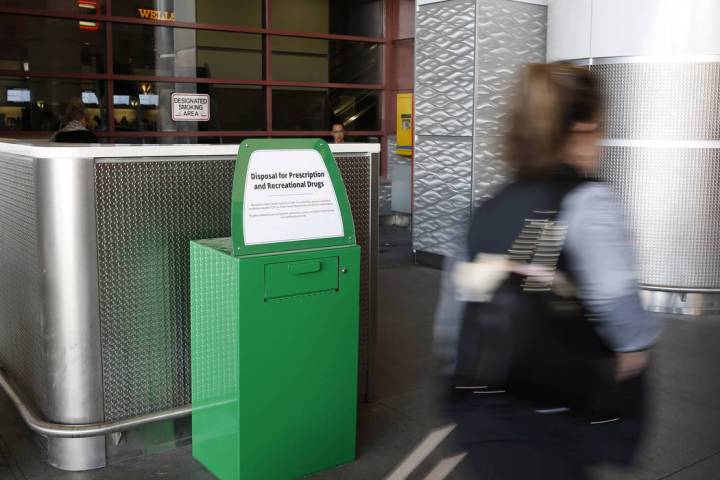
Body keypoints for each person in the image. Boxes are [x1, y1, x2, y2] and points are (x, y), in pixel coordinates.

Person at [434, 63, 663, 479]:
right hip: (553, 416)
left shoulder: (488, 208)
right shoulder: (587, 202)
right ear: (584, 126)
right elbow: (621, 312)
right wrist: (634, 349)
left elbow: (451, 322)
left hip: (484, 415)